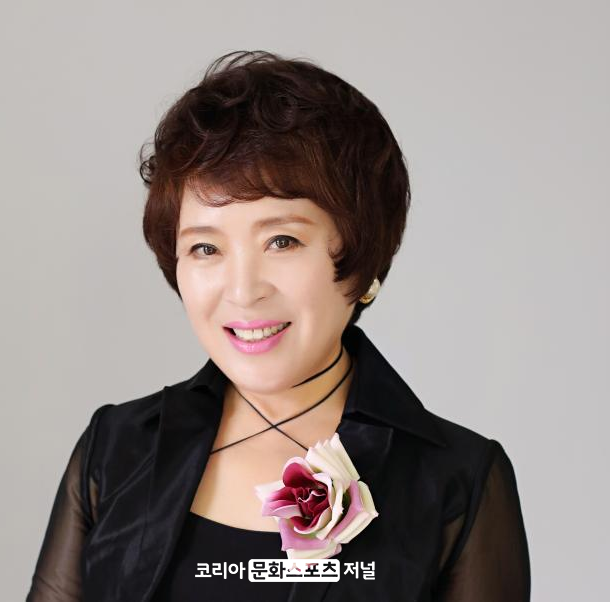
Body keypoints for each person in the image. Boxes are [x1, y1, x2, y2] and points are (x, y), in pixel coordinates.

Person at [26, 50, 530, 601]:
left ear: (360, 257)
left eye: (282, 241)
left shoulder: (455, 480)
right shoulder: (115, 450)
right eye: (205, 248)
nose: (243, 290)